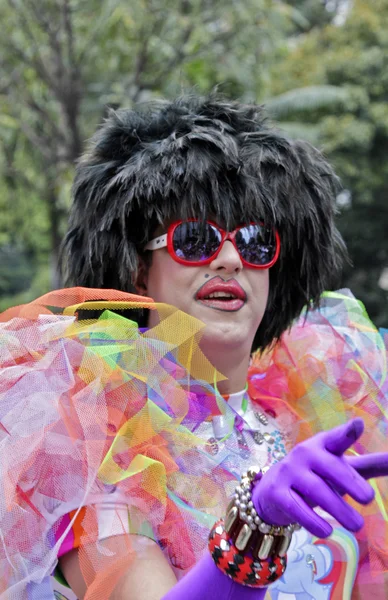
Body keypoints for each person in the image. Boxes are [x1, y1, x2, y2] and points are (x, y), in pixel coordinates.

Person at [0, 94, 387, 600]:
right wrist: (254, 529)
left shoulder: (321, 414)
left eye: (253, 241)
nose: (229, 259)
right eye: (196, 239)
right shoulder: (94, 440)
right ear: (139, 271)